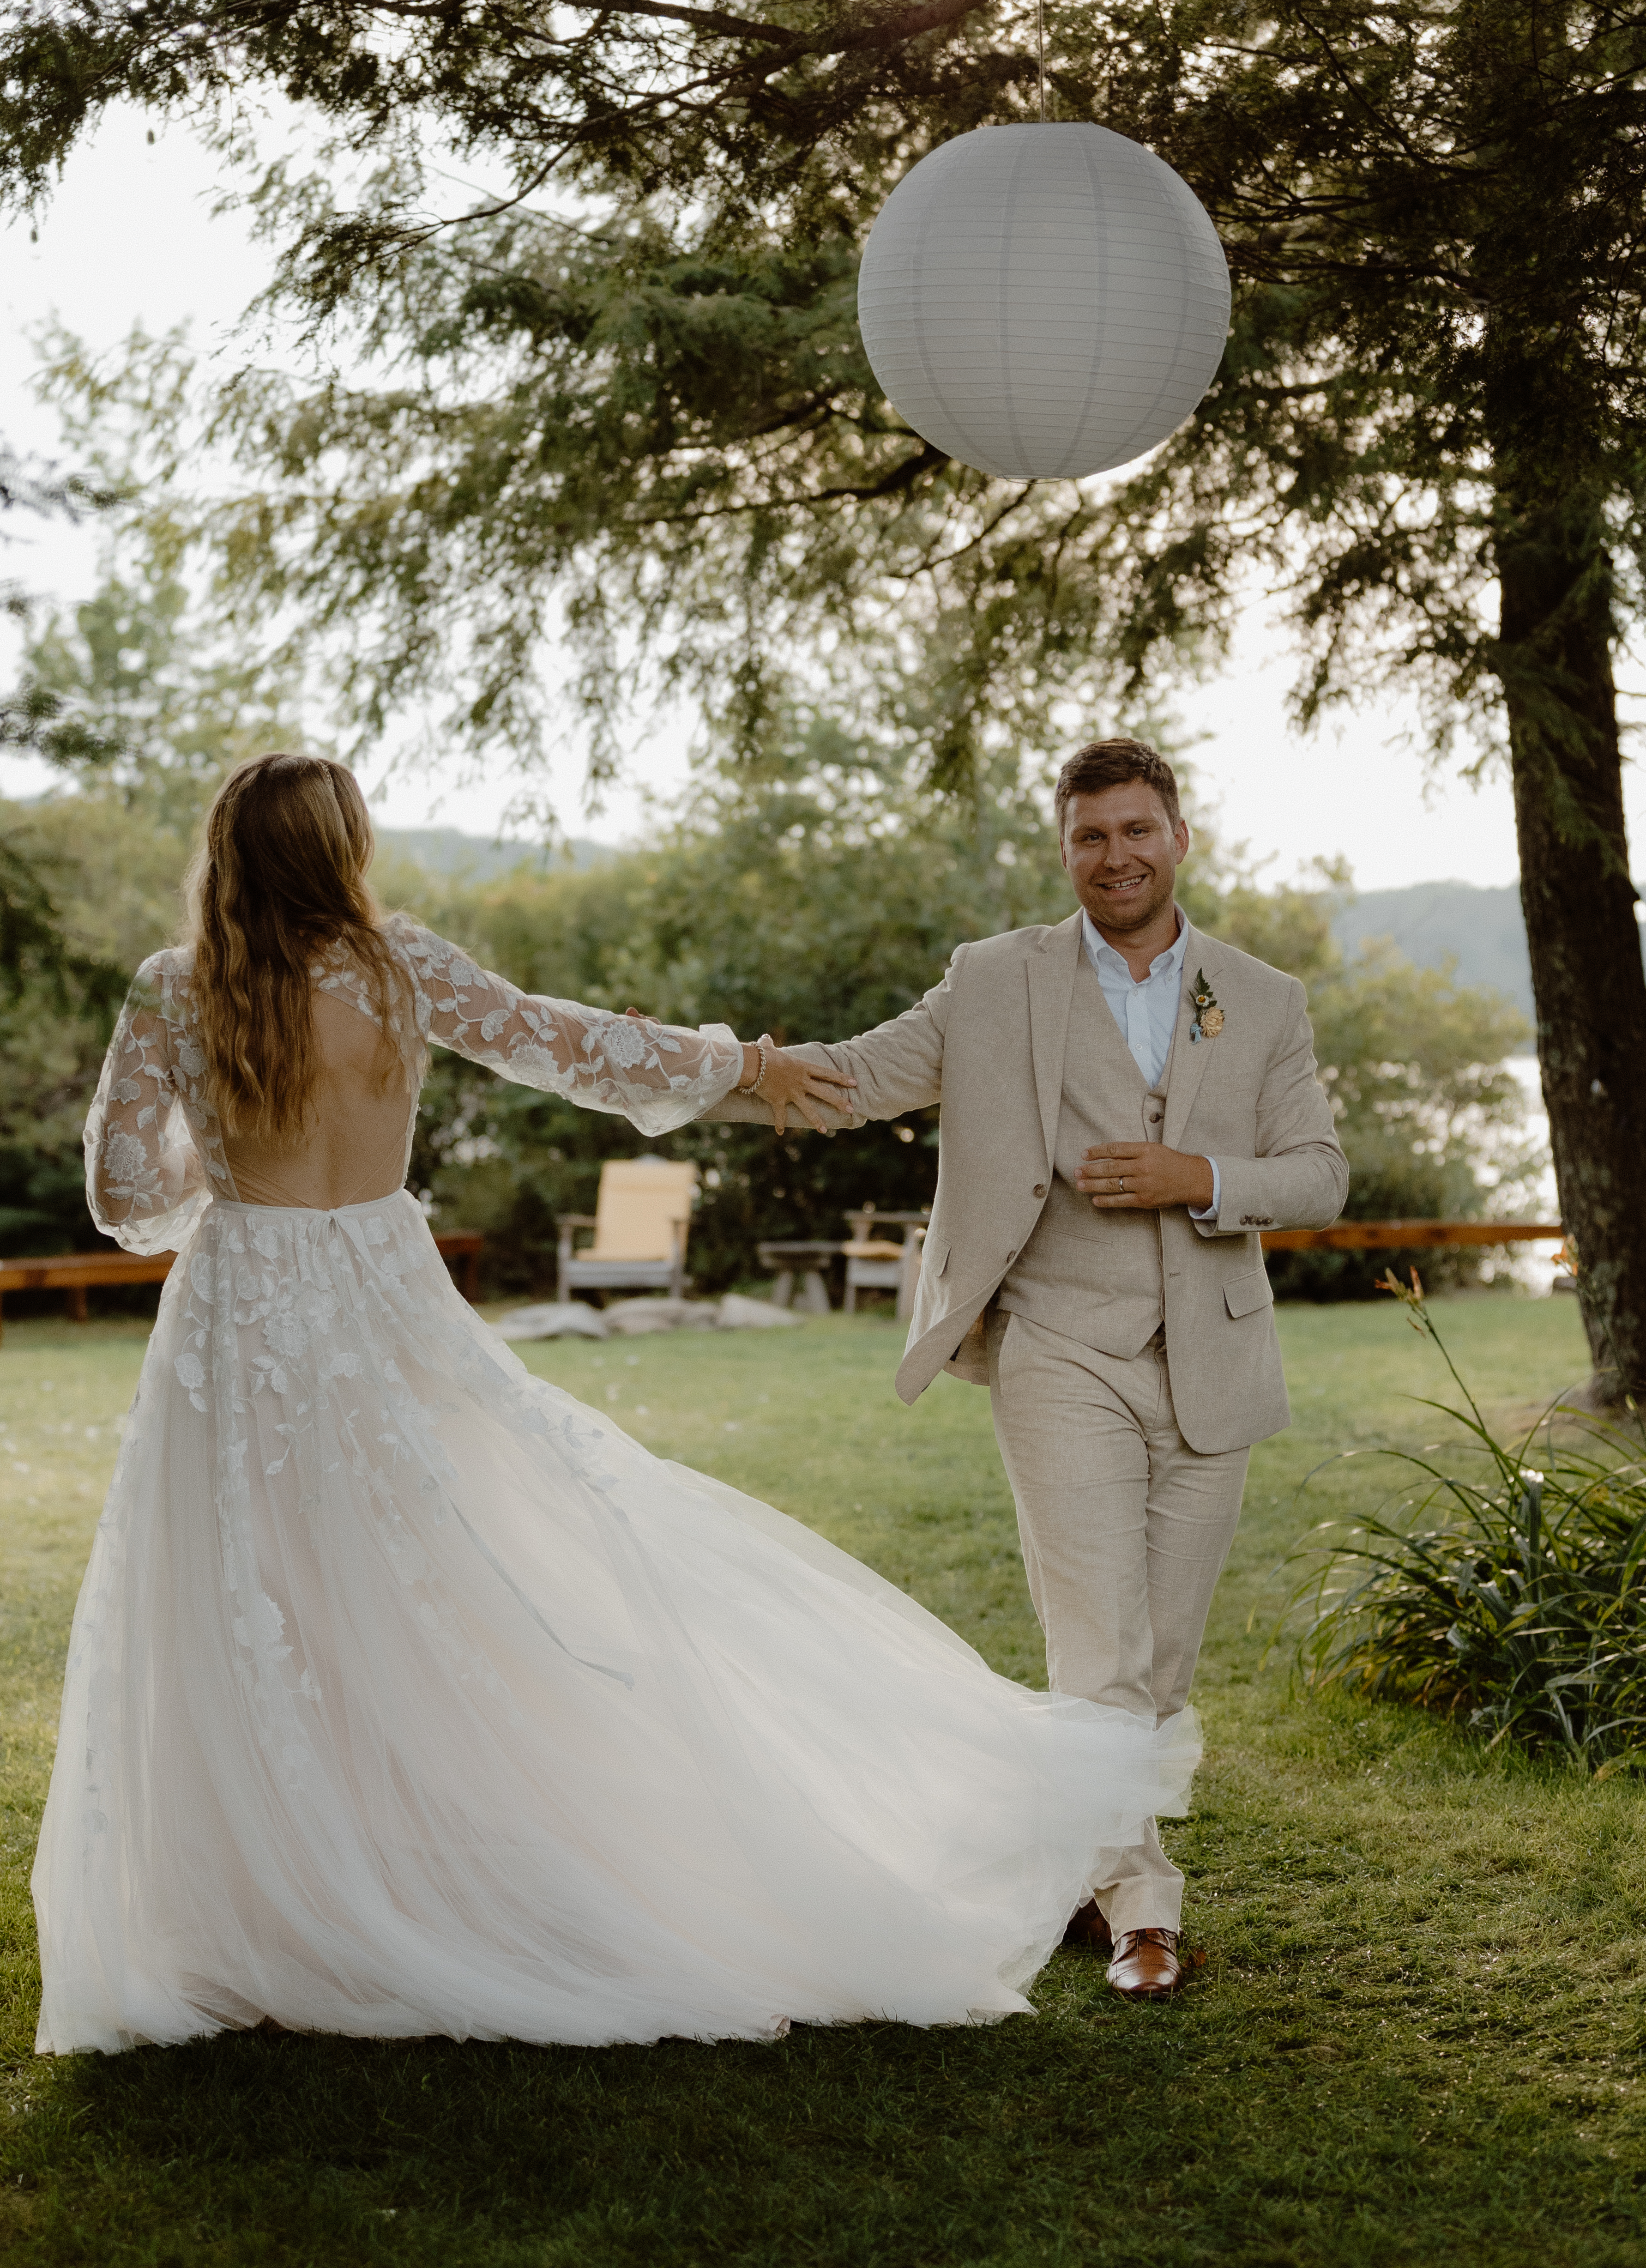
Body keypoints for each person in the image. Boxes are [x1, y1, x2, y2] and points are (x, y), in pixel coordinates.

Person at [33, 750, 1200, 2056]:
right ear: (345, 845)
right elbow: (573, 1043)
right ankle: (399, 1871)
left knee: (251, 1599)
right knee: (453, 1575)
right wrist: (740, 1063)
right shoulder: (400, 967)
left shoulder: (175, 989)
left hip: (240, 1315)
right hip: (380, 1300)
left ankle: (286, 1893)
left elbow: (126, 1197)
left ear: (225, 851)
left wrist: (229, 1166)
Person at [704, 738, 1348, 2001]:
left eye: (1137, 830)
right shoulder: (997, 981)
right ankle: (1143, 1907)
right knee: (1102, 1640)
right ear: (1066, 850)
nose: (1115, 855)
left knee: (1159, 1656)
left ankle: (1071, 1861)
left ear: (1180, 836)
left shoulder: (1264, 998)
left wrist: (1200, 1180)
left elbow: (1320, 1173)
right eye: (1090, 835)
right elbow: (855, 1079)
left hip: (1211, 1354)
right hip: (1058, 1342)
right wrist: (710, 1069)